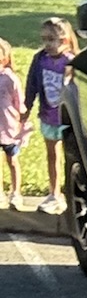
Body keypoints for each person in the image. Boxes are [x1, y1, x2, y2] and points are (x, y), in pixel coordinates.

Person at [21, 15, 75, 214]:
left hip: (68, 120)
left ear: (64, 40)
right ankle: (54, 194)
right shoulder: (40, 59)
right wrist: (26, 108)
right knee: (52, 156)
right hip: (48, 116)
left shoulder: (71, 62)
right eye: (44, 39)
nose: (47, 44)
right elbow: (32, 84)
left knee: (72, 158)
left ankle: (73, 194)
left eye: (51, 39)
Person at [0, 39, 23, 210]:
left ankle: (16, 193)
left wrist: (21, 122)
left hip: (9, 127)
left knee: (13, 160)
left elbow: (19, 102)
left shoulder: (10, 78)